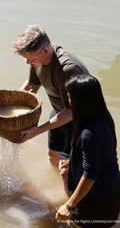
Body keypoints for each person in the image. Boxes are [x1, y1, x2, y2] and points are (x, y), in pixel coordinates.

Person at [12, 25, 90, 167]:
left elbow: (72, 111)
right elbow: (31, 85)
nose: (28, 62)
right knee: (53, 156)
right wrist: (10, 106)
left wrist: (37, 131)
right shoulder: (37, 60)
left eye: (31, 59)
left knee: (67, 167)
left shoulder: (68, 69)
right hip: (59, 112)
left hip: (80, 121)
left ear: (46, 50)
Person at [55, 75, 120, 227]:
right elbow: (99, 157)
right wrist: (72, 164)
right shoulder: (104, 117)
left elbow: (90, 175)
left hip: (96, 198)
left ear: (81, 101)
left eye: (70, 96)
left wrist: (68, 205)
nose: (68, 100)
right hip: (112, 189)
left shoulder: (89, 134)